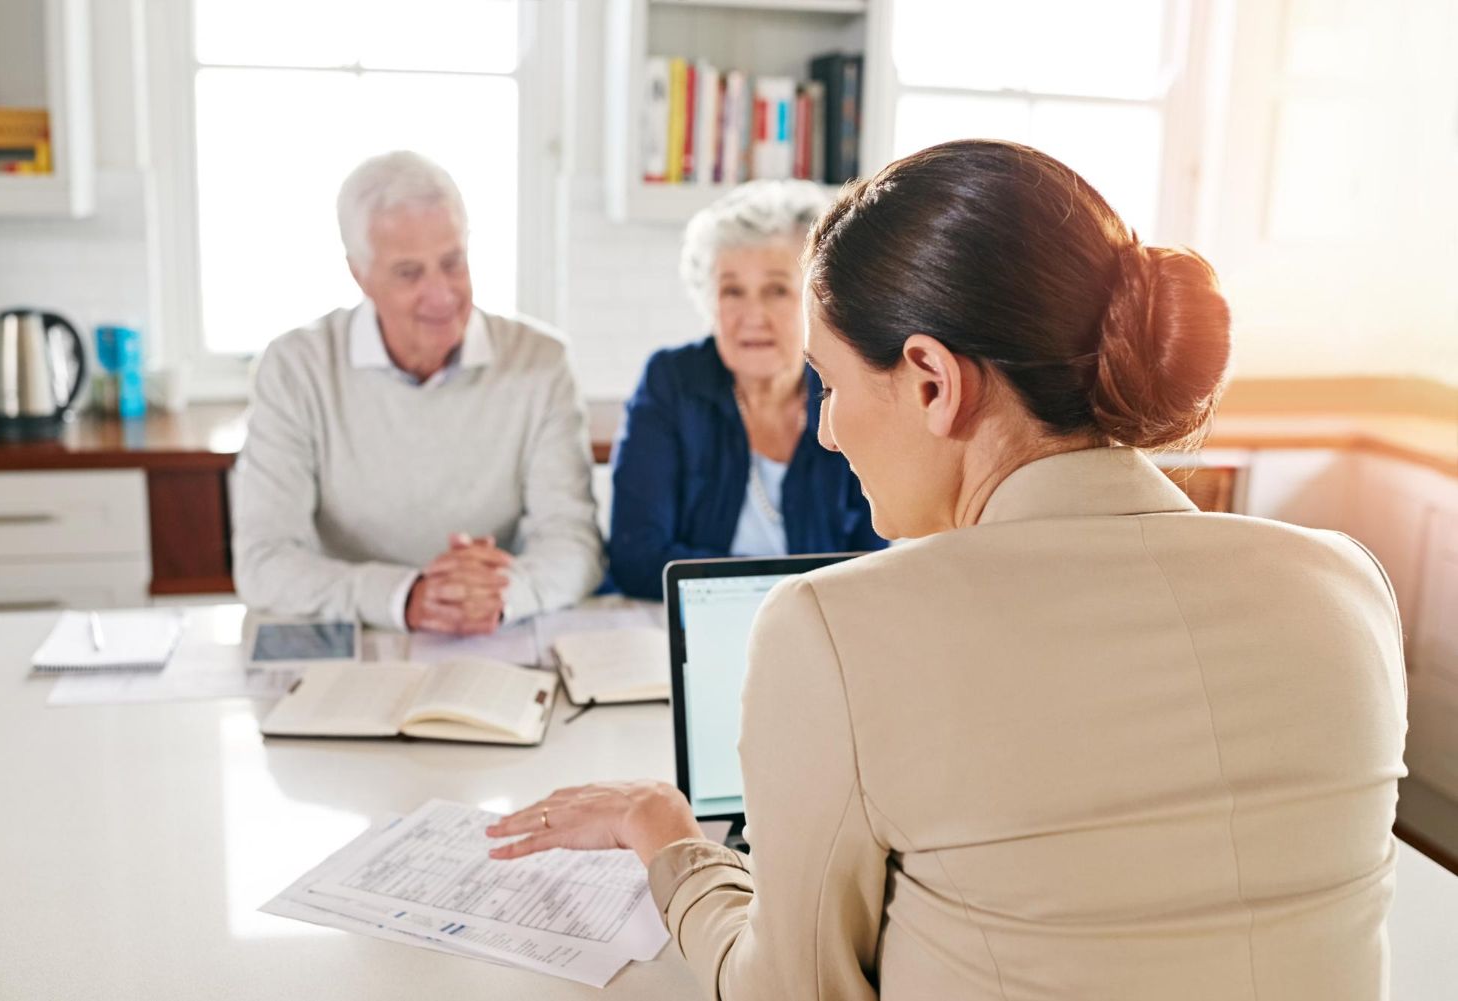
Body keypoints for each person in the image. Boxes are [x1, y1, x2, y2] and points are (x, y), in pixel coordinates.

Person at [485, 141, 1408, 999]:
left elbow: (790, 989)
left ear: (932, 379)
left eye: (834, 385)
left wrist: (669, 837)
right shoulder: (1346, 585)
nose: (829, 428)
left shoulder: (836, 628)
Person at [233, 151, 603, 635]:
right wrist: (406, 597)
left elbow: (574, 546)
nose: (441, 294)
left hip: (491, 638)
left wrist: (497, 596)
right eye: (409, 273)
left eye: (453, 263)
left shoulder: (541, 363)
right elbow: (263, 563)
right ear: (359, 274)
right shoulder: (295, 368)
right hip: (355, 638)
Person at [608, 180, 884, 600]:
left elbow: (872, 560)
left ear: (817, 301)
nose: (752, 315)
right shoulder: (672, 381)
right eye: (733, 291)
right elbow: (636, 558)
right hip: (686, 629)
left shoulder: (850, 385)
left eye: (776, 290)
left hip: (820, 632)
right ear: (709, 301)